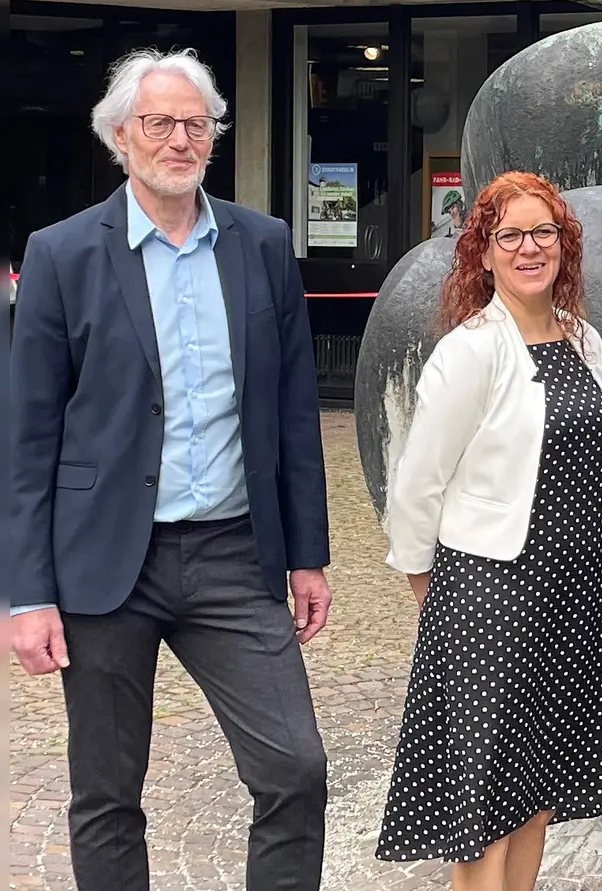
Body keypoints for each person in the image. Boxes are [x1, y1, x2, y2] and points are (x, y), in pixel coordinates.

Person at [7, 48, 332, 891]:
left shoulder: (262, 245)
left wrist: (308, 554)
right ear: (121, 136)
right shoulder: (61, 254)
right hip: (104, 563)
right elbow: (28, 436)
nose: (179, 140)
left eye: (196, 124)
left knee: (295, 769)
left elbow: (294, 411)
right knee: (107, 794)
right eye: (159, 123)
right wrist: (27, 594)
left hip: (234, 554)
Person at [375, 170, 602, 889]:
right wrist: (434, 594)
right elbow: (417, 482)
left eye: (543, 232)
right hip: (492, 593)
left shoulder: (583, 339)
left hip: (573, 591)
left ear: (564, 244)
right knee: (486, 805)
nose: (530, 248)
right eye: (510, 235)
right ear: (484, 253)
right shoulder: (470, 350)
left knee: (537, 792)